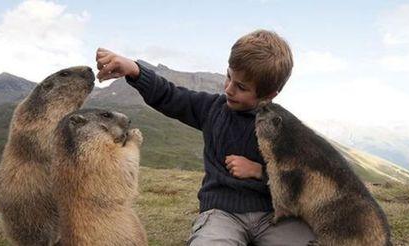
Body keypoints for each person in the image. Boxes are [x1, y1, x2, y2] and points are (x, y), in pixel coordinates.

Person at [95, 29, 316, 246]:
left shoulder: (285, 127)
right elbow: (171, 96)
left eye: (240, 87)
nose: (229, 89)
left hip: (274, 215)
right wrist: (134, 71)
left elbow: (304, 178)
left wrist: (259, 171)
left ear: (268, 95)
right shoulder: (212, 108)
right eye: (229, 76)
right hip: (222, 213)